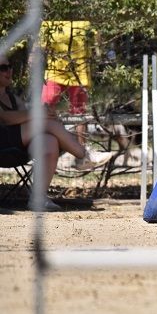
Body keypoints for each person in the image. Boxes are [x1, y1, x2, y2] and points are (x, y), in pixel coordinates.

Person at [0, 54, 112, 211]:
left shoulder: (13, 99)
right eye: (3, 68)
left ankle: (38, 198)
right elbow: (5, 119)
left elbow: (26, 120)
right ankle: (83, 155)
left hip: (19, 146)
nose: (8, 71)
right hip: (3, 146)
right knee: (43, 120)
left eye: (9, 66)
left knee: (49, 140)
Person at [39, 20, 103, 168]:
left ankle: (83, 155)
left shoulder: (87, 23)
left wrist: (96, 52)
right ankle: (43, 147)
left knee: (79, 112)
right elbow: (40, 47)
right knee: (45, 107)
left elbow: (97, 45)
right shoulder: (49, 23)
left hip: (79, 71)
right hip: (55, 71)